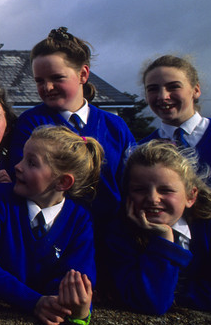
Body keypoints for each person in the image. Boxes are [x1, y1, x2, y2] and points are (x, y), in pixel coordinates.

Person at [8, 27, 135, 230]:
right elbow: (24, 181)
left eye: (57, 78)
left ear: (83, 74)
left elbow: (133, 184)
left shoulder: (115, 126)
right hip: (60, 236)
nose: (47, 87)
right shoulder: (30, 123)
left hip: (116, 238)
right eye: (39, 81)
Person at [0, 126, 103, 325]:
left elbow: (76, 280)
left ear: (63, 182)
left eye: (31, 163)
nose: (18, 166)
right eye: (22, 157)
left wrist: (76, 309)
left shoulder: (79, 220)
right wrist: (33, 301)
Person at [107, 140, 211, 314]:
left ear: (191, 196)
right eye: (140, 189)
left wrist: (172, 292)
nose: (153, 198)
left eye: (166, 190)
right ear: (127, 194)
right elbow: (151, 301)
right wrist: (163, 241)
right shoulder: (120, 234)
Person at [140, 55, 211, 195]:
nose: (163, 96)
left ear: (196, 90)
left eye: (173, 87)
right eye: (153, 89)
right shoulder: (142, 151)